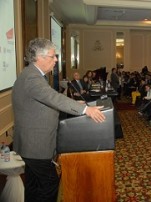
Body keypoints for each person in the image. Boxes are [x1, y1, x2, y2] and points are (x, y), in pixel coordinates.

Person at [12, 38, 106, 202]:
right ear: (39, 58)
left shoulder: (33, 74)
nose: (56, 59)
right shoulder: (32, 78)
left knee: (34, 186)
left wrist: (75, 103)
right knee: (49, 186)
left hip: (30, 144)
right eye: (52, 56)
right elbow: (52, 98)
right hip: (35, 146)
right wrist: (86, 110)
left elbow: (43, 101)